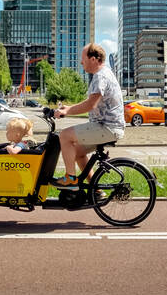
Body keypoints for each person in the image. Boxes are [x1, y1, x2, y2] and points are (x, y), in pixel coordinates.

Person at [51, 43, 124, 190]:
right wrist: (69, 108)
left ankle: (70, 179)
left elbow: (91, 104)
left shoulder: (100, 76)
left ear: (94, 59)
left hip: (107, 128)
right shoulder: (103, 74)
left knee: (64, 136)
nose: (80, 62)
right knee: (76, 152)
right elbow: (91, 102)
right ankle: (95, 190)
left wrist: (67, 111)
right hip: (108, 127)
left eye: (83, 58)